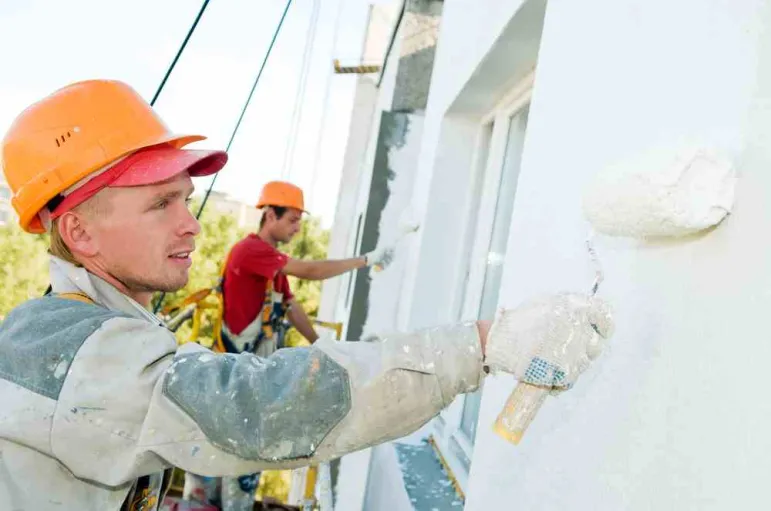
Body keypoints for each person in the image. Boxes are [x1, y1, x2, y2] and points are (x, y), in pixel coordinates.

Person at [0, 79, 613, 511]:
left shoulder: (92, 329)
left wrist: (327, 339)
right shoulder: (66, 352)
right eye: (161, 203)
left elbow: (289, 304)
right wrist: (485, 343)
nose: (190, 222)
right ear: (79, 231)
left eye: (185, 197)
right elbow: (260, 407)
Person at [183, 181, 396, 509]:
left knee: (241, 464)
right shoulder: (251, 251)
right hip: (238, 380)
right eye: (293, 220)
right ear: (270, 215)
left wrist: (320, 343)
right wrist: (365, 260)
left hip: (251, 381)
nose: (297, 228)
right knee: (227, 465)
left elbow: (290, 305)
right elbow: (309, 271)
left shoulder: (270, 265)